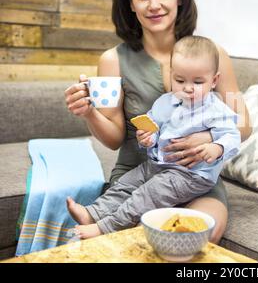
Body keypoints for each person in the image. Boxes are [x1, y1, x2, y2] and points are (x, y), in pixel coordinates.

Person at [64, 0, 251, 243]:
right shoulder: (113, 60)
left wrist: (207, 137)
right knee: (139, 240)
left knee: (198, 233)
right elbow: (115, 139)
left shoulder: (214, 55)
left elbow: (244, 123)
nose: (154, 5)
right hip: (139, 172)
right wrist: (89, 113)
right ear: (130, 3)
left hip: (194, 177)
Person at [67, 36, 241, 239]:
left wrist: (217, 146)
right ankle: (93, 213)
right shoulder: (164, 102)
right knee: (128, 182)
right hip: (157, 165)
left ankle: (105, 227)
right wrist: (147, 138)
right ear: (171, 75)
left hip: (191, 175)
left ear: (214, 81)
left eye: (198, 82)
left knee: (148, 193)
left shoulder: (217, 109)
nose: (188, 87)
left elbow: (233, 134)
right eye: (180, 80)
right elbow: (153, 126)